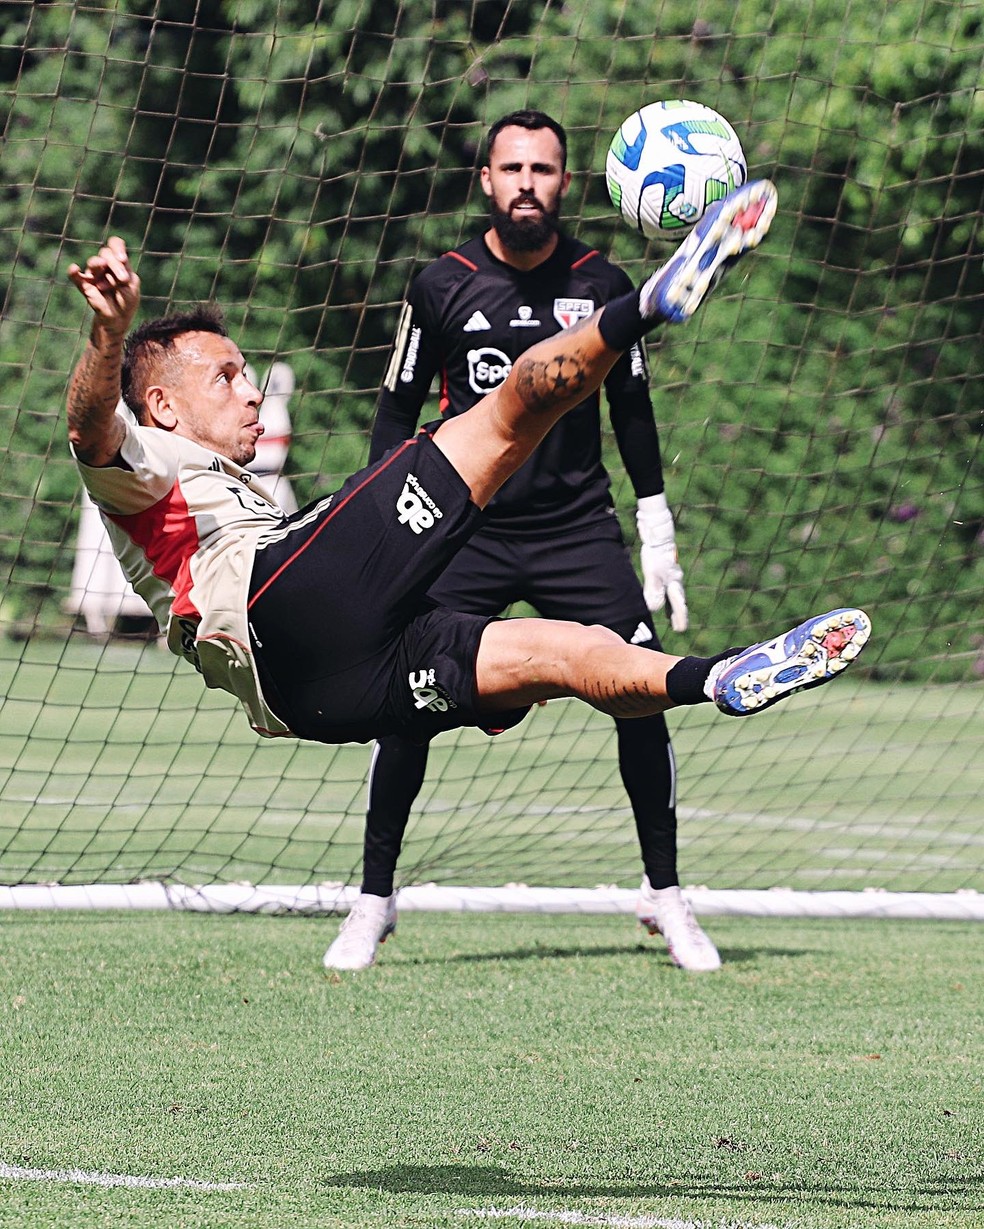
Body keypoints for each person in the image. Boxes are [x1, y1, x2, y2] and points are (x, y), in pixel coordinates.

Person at [65, 182, 871, 964]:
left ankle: (718, 678)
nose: (249, 392)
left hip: (317, 698)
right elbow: (89, 424)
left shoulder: (212, 481)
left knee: (562, 653)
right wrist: (110, 335)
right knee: (511, 406)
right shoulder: (148, 459)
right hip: (282, 598)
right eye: (226, 377)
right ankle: (650, 303)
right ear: (165, 407)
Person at [326, 109, 721, 975]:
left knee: (641, 691)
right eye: (513, 169)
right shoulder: (440, 284)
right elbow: (397, 410)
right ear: (487, 182)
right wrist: (382, 522)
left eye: (543, 169)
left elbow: (633, 410)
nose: (527, 184)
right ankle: (374, 898)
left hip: (577, 529)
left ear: (567, 182)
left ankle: (665, 895)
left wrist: (656, 522)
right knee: (408, 702)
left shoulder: (606, 280)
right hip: (464, 529)